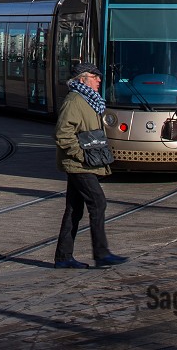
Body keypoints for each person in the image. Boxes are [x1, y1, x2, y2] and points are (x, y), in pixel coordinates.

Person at [53, 62, 128, 269]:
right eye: (95, 77)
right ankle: (101, 253)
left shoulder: (89, 100)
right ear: (82, 79)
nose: (99, 80)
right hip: (79, 164)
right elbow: (62, 134)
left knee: (73, 209)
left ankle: (63, 257)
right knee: (98, 202)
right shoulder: (75, 101)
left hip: (85, 163)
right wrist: (82, 155)